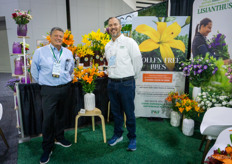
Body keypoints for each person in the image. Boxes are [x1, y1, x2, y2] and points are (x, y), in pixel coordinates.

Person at [31, 27, 74, 164]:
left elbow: (70, 69)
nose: (58, 38)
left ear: (63, 38)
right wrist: (44, 83)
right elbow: (34, 70)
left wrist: (66, 80)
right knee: (48, 119)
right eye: (56, 36)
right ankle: (47, 147)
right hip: (48, 89)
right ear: (50, 37)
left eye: (61, 36)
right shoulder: (40, 52)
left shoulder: (67, 52)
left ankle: (59, 137)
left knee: (61, 115)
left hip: (65, 88)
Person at [105, 17, 143, 151]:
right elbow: (110, 63)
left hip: (126, 83)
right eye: (111, 25)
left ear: (120, 26)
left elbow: (138, 63)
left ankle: (132, 137)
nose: (113, 27)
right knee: (116, 113)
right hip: (111, 83)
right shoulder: (107, 45)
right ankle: (118, 134)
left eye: (115, 24)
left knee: (129, 112)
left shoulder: (129, 42)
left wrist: (132, 78)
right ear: (108, 28)